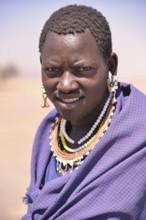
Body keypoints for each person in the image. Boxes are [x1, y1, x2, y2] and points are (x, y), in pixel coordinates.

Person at [22, 5, 146, 220]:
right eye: (53, 70)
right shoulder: (48, 133)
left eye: (83, 70)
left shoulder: (139, 135)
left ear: (111, 66)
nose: (66, 85)